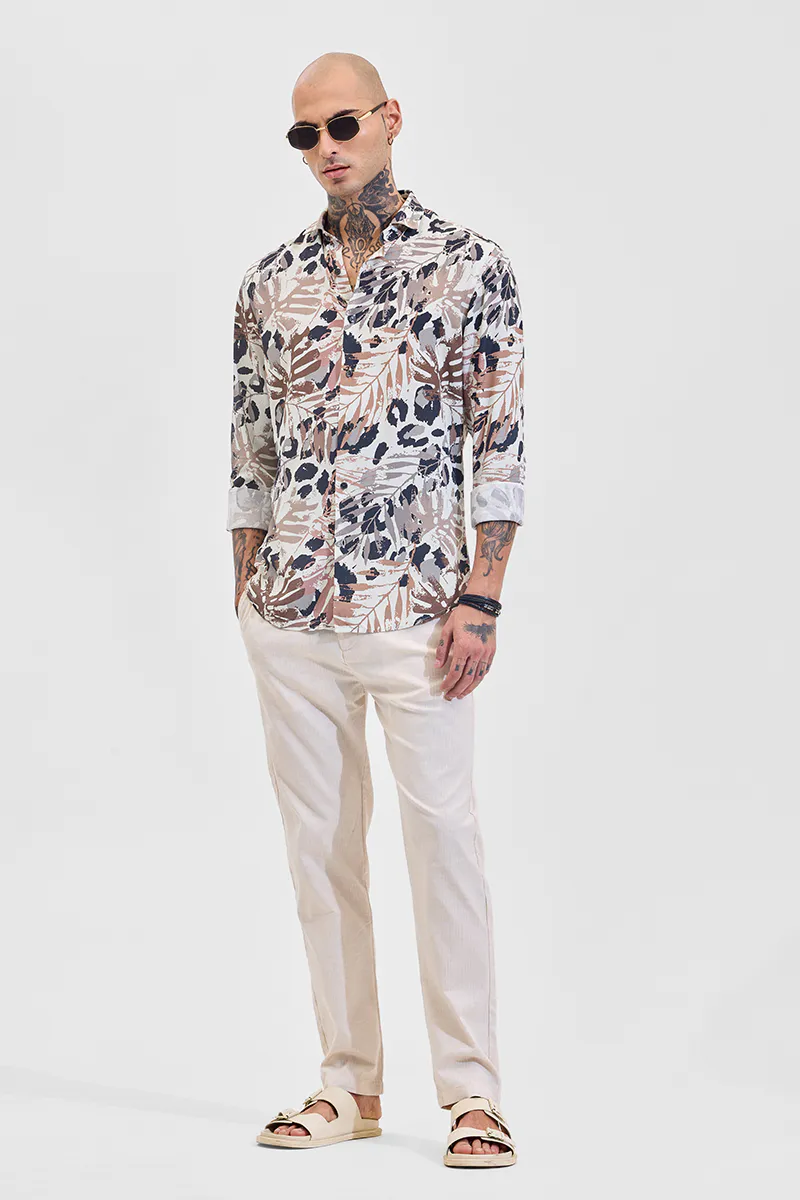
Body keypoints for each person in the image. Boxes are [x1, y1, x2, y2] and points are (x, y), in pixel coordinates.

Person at [228, 51, 524, 1169]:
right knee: (320, 853)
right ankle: (347, 1085)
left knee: (443, 841)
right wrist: (246, 590)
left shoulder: (469, 266)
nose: (326, 149)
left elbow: (498, 444)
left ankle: (473, 1095)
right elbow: (249, 447)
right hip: (291, 614)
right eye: (304, 135)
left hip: (418, 609)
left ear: (391, 118)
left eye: (343, 124)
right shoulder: (269, 284)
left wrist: (482, 594)